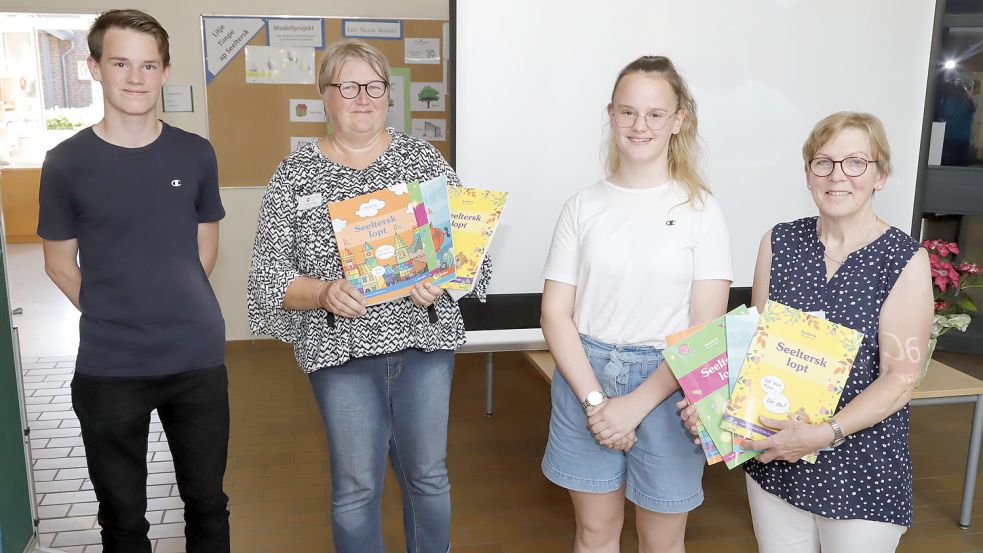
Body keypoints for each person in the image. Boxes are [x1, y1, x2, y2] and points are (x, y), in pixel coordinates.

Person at [247, 39, 490, 553]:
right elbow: (267, 279)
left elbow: (475, 262)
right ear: (325, 96)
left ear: (388, 95)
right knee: (356, 489)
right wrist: (322, 292)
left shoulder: (423, 162)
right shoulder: (295, 175)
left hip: (423, 347)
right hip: (341, 354)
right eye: (348, 86)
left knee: (429, 476)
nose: (363, 97)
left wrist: (442, 279)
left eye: (375, 86)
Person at [680, 112, 932, 553]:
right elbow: (755, 353)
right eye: (823, 162)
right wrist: (710, 402)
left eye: (856, 162)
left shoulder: (904, 259)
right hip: (776, 455)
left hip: (860, 466)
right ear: (808, 174)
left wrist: (825, 434)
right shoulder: (778, 242)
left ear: (881, 176)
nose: (838, 176)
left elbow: (901, 378)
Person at [38, 9, 230, 553]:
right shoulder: (65, 163)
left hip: (196, 361)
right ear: (94, 67)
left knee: (208, 505)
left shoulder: (195, 153)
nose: (136, 77)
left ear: (165, 72)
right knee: (123, 518)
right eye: (121, 62)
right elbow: (58, 264)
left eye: (149, 65)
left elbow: (204, 249)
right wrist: (116, 313)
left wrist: (170, 306)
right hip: (110, 367)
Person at [539, 55, 733, 553]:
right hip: (587, 375)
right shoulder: (582, 206)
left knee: (661, 543)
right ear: (611, 116)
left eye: (654, 113)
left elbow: (704, 331)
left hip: (669, 384)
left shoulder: (702, 212)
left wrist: (635, 405)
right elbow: (555, 313)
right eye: (627, 112)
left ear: (678, 121)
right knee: (595, 533)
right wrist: (598, 403)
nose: (639, 125)